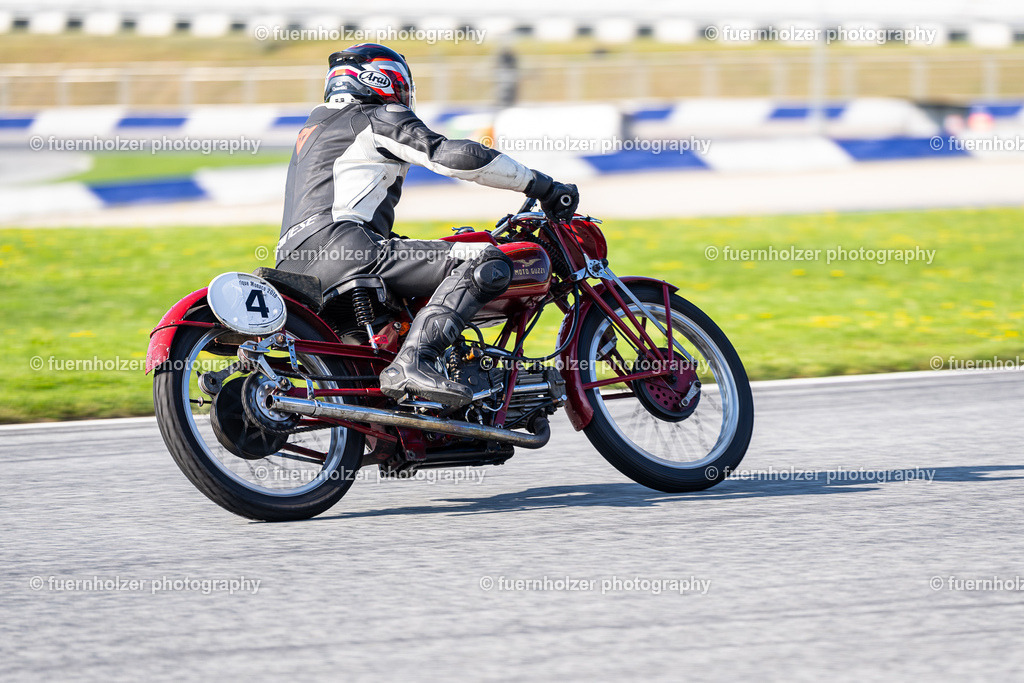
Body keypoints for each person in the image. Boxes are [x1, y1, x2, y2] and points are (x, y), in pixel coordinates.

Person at [276, 43, 579, 407]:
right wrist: (542, 186)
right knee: (486, 258)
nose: (404, 95)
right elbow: (455, 156)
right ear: (381, 79)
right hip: (347, 247)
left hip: (294, 265)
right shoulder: (375, 114)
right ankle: (415, 361)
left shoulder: (315, 126)